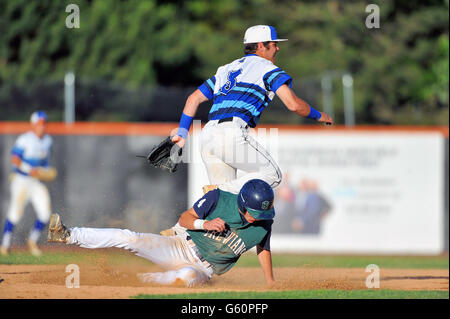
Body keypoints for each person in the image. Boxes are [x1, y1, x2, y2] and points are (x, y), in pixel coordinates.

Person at [161, 25, 333, 236]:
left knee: (221, 209)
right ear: (261, 46)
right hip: (231, 132)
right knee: (273, 175)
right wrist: (319, 115)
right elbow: (293, 105)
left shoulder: (226, 69)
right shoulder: (268, 69)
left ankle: (179, 233)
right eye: (274, 44)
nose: (277, 49)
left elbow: (193, 98)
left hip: (208, 134)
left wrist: (182, 132)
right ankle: (215, 194)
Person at [47, 179, 276, 287]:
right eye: (253, 212)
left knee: (185, 278)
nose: (256, 218)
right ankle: (68, 235)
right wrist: (204, 224)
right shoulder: (219, 198)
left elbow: (263, 248)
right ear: (242, 203)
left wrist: (270, 281)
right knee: (130, 238)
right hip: (180, 245)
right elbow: (185, 219)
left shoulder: (264, 223)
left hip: (203, 269)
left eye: (261, 214)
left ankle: (130, 282)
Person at [0, 111, 55, 257]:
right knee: (15, 214)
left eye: (44, 124)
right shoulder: (25, 139)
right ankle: (4, 245)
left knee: (45, 214)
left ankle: (32, 241)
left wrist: (45, 171)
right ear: (33, 125)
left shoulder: (48, 141)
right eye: (39, 124)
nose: (42, 127)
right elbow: (15, 160)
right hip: (22, 180)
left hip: (36, 182)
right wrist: (29, 170)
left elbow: (46, 163)